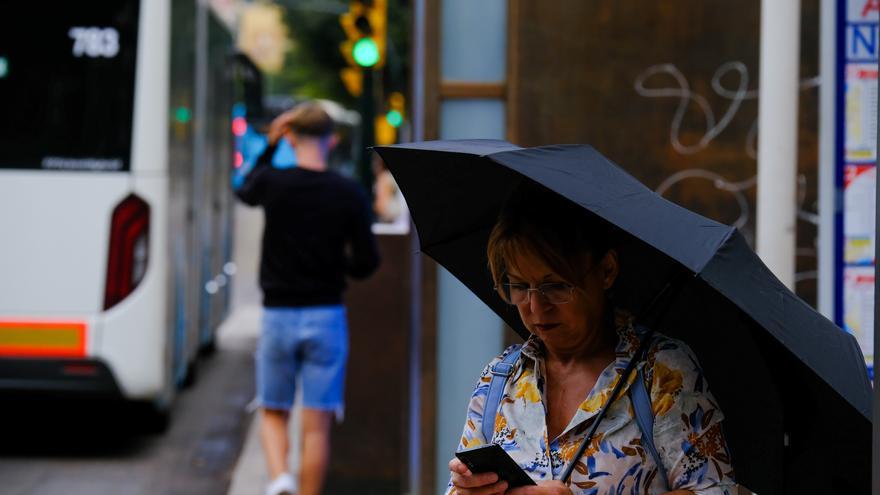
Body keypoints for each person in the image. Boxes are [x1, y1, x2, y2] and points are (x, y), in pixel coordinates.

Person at [446, 182, 735, 495]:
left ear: (606, 270)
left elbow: (714, 490)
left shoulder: (661, 373)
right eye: (518, 286)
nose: (535, 307)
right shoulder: (499, 379)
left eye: (554, 286)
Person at [235, 101, 380, 495]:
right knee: (316, 426)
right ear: (332, 140)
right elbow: (368, 262)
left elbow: (245, 189)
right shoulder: (348, 192)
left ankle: (280, 477)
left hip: (279, 316)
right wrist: (339, 269)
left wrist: (268, 145)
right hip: (326, 315)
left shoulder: (274, 183)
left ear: (291, 137)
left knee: (273, 409)